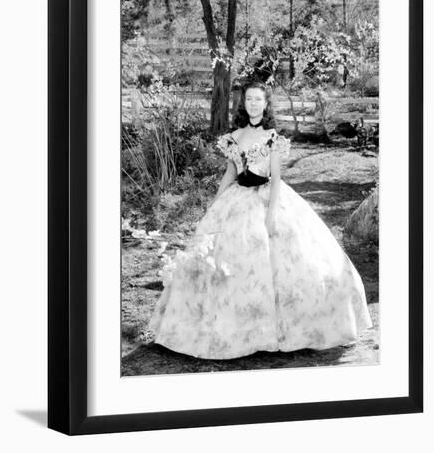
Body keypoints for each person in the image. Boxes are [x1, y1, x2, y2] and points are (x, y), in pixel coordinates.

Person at [148, 81, 372, 360]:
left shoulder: (273, 137)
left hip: (267, 198)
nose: (253, 103)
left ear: (266, 104)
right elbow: (230, 173)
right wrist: (214, 205)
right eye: (249, 99)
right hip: (237, 198)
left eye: (258, 100)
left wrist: (269, 216)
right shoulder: (234, 136)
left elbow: (277, 179)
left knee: (289, 260)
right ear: (244, 103)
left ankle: (290, 328)